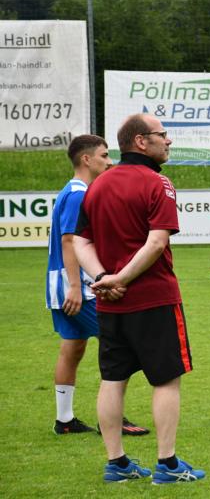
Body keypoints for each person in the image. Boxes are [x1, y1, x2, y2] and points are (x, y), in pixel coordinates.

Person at [74, 114, 204, 484]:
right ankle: (168, 465)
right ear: (141, 141)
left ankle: (116, 464)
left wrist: (103, 278)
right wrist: (119, 278)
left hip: (110, 303)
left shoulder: (98, 184)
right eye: (163, 134)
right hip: (153, 298)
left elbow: (81, 241)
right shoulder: (157, 182)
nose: (169, 140)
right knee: (166, 380)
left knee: (113, 379)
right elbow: (157, 241)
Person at [46, 135, 148, 437]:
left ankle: (64, 420)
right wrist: (76, 287)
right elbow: (69, 241)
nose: (109, 161)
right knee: (121, 345)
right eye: (104, 155)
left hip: (60, 285)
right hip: (77, 288)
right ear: (86, 159)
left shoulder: (71, 190)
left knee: (73, 347)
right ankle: (111, 419)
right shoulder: (79, 194)